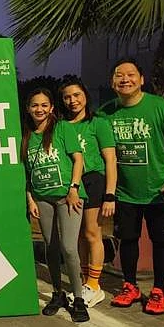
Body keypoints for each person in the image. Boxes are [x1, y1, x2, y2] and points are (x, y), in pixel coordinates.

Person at [98, 59, 164, 315]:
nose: (124, 79)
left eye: (130, 75)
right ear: (112, 82)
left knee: (162, 241)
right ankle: (130, 286)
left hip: (160, 192)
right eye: (119, 75)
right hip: (124, 193)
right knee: (127, 240)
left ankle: (159, 291)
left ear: (141, 79)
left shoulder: (161, 108)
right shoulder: (105, 113)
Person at [22, 88, 90, 323]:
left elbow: (78, 159)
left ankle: (79, 298)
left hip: (67, 197)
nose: (39, 109)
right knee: (50, 247)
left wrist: (74, 188)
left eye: (43, 105)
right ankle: (57, 294)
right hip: (42, 198)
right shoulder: (27, 136)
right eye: (34, 105)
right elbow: (27, 173)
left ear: (51, 108)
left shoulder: (62, 128)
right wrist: (30, 199)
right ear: (28, 109)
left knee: (69, 248)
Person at [59, 77, 117, 308]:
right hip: (72, 183)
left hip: (94, 180)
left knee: (93, 232)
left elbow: (110, 159)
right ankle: (85, 281)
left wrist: (110, 193)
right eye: (67, 97)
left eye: (77, 95)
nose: (73, 101)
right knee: (79, 235)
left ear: (85, 96)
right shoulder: (62, 126)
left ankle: (95, 285)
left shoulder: (98, 123)